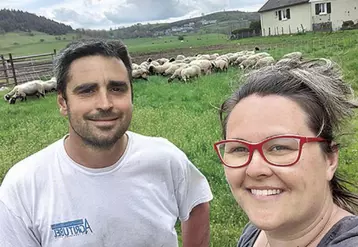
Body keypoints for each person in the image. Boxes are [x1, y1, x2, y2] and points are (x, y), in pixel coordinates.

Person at [0, 39, 213, 247]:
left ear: (132, 96)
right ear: (63, 103)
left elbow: (197, 203)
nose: (105, 104)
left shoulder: (166, 158)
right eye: (87, 90)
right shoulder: (24, 185)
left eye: (117, 89)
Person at [213, 58, 358, 246]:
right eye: (239, 149)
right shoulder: (254, 233)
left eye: (279, 147)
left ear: (330, 160)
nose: (254, 169)